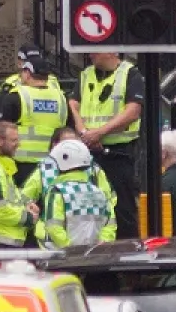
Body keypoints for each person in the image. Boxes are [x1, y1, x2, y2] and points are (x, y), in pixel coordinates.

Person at [71, 53, 146, 238]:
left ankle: (126, 254)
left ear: (112, 50)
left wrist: (100, 133)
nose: (90, 53)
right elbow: (73, 104)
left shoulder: (131, 74)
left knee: (122, 208)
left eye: (96, 49)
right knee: (88, 205)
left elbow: (132, 112)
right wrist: (84, 133)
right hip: (88, 152)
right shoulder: (86, 74)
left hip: (118, 154)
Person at [0, 47, 67, 186]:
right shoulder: (61, 98)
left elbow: (0, 130)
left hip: (21, 165)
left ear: (27, 74)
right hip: (52, 163)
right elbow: (67, 129)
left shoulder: (17, 96)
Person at [21, 124, 115, 221]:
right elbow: (24, 197)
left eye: (74, 143)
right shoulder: (44, 170)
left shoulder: (93, 169)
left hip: (88, 227)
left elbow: (109, 199)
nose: (72, 147)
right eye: (66, 143)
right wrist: (31, 207)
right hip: (52, 229)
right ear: (54, 145)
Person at [37, 139, 115, 250]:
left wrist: (71, 249)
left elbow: (53, 226)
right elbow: (110, 224)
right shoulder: (99, 192)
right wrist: (100, 246)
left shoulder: (58, 191)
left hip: (62, 258)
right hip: (93, 258)